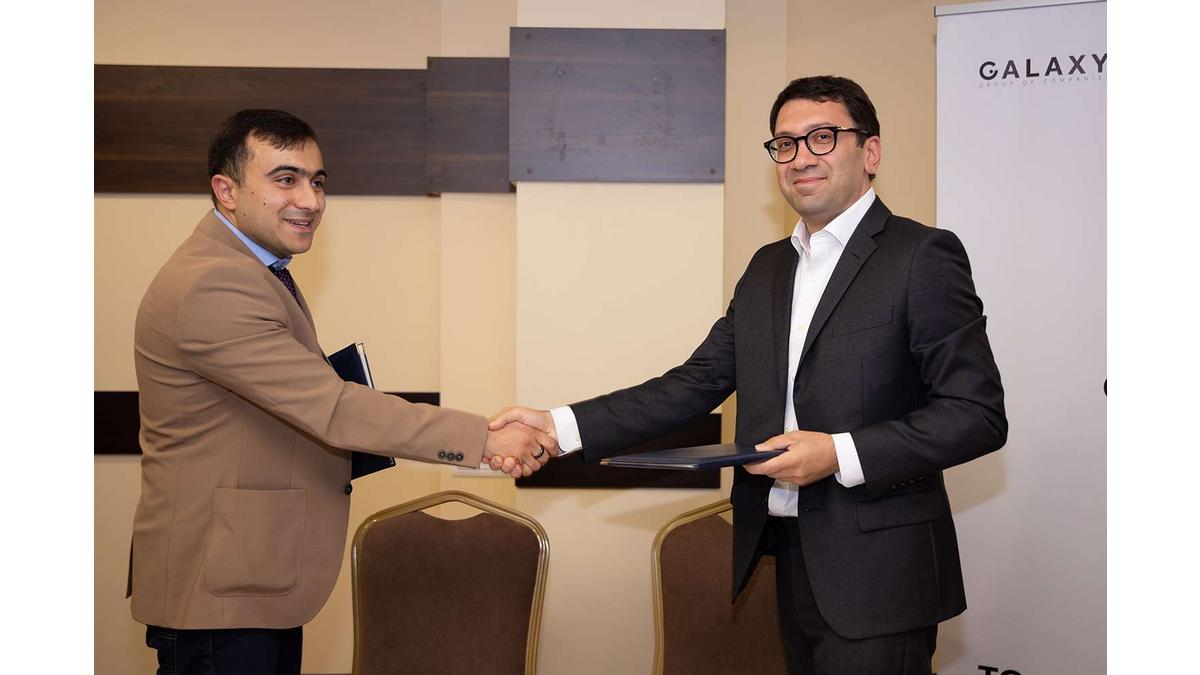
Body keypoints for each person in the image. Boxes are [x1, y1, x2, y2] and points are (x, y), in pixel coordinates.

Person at [490, 76, 1007, 674]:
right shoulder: (768, 267)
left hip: (882, 577)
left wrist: (838, 453)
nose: (800, 157)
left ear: (870, 152)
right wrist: (555, 426)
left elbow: (976, 415)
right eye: (784, 144)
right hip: (786, 554)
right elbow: (695, 382)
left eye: (822, 137)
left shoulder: (921, 255)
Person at [128, 109, 553, 674]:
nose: (310, 200)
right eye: (286, 180)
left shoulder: (253, 270)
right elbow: (331, 407)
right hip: (219, 596)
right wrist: (485, 438)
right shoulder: (215, 281)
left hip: (246, 582)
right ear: (226, 191)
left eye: (318, 181)